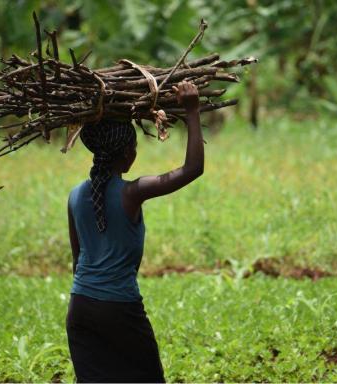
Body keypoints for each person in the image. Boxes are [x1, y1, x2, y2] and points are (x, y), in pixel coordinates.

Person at [65, 80, 204, 382]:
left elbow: (79, 263)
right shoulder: (132, 192)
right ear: (127, 153)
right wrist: (192, 113)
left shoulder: (75, 196)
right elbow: (192, 169)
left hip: (81, 309)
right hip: (119, 309)